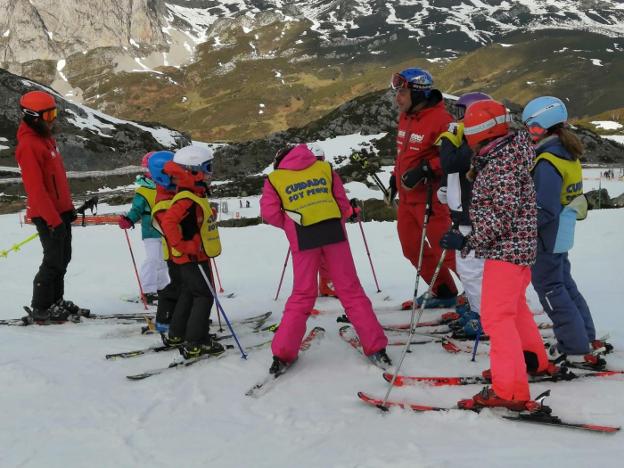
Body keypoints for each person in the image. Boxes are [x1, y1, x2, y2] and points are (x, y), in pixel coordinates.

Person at [440, 99, 550, 410]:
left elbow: (502, 215)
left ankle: (510, 389)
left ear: (477, 131)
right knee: (514, 310)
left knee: (496, 318)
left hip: (507, 251)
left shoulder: (501, 164)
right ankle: (531, 362)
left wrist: (467, 240)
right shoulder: (505, 155)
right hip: (515, 250)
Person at [260, 144, 390, 374]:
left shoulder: (275, 178)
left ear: (279, 160)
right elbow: (342, 205)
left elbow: (269, 214)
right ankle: (376, 347)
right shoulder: (325, 169)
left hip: (302, 236)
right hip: (334, 233)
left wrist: (291, 226)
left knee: (302, 294)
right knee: (351, 290)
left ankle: (282, 353)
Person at [522, 96, 609, 368]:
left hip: (547, 236)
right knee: (564, 284)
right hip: (561, 233)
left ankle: (573, 346)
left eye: (533, 128)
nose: (529, 134)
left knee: (549, 288)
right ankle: (585, 336)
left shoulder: (548, 162)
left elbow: (544, 209)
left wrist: (520, 226)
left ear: (545, 127)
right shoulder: (566, 154)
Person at [389, 68, 458, 309]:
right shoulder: (406, 117)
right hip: (407, 201)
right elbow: (403, 154)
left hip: (432, 200)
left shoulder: (443, 121)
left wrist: (427, 168)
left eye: (403, 92)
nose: (398, 98)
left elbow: (456, 156)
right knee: (411, 249)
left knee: (447, 252)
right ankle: (444, 291)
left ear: (418, 94)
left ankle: (483, 298)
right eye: (397, 92)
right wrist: (394, 178)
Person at [15, 90, 84, 322]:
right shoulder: (29, 146)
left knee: (64, 258)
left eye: (54, 112)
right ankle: (41, 306)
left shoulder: (46, 140)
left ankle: (56, 300)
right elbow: (36, 190)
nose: (54, 118)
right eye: (49, 114)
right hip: (47, 216)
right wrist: (53, 220)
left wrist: (67, 208)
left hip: (59, 212)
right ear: (34, 117)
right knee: (53, 260)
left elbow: (57, 181)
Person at [157, 145, 225, 359]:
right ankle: (196, 341)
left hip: (191, 257)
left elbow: (190, 219)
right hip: (193, 256)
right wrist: (185, 245)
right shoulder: (186, 197)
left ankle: (178, 333)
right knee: (204, 296)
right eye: (207, 167)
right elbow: (169, 222)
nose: (210, 173)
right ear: (192, 171)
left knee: (189, 292)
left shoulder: (192, 194)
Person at [436, 92, 491, 338]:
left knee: (472, 270)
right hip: (462, 213)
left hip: (471, 216)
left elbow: (451, 163)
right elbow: (453, 171)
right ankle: (476, 308)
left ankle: (484, 317)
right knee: (468, 268)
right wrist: (446, 188)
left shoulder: (476, 144)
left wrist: (448, 136)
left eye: (462, 114)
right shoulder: (469, 142)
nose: (459, 120)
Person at [118, 152, 170, 304]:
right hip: (151, 231)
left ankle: (163, 287)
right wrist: (129, 220)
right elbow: (137, 210)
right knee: (153, 260)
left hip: (166, 231)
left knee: (163, 261)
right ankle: (148, 290)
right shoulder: (143, 191)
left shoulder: (167, 188)